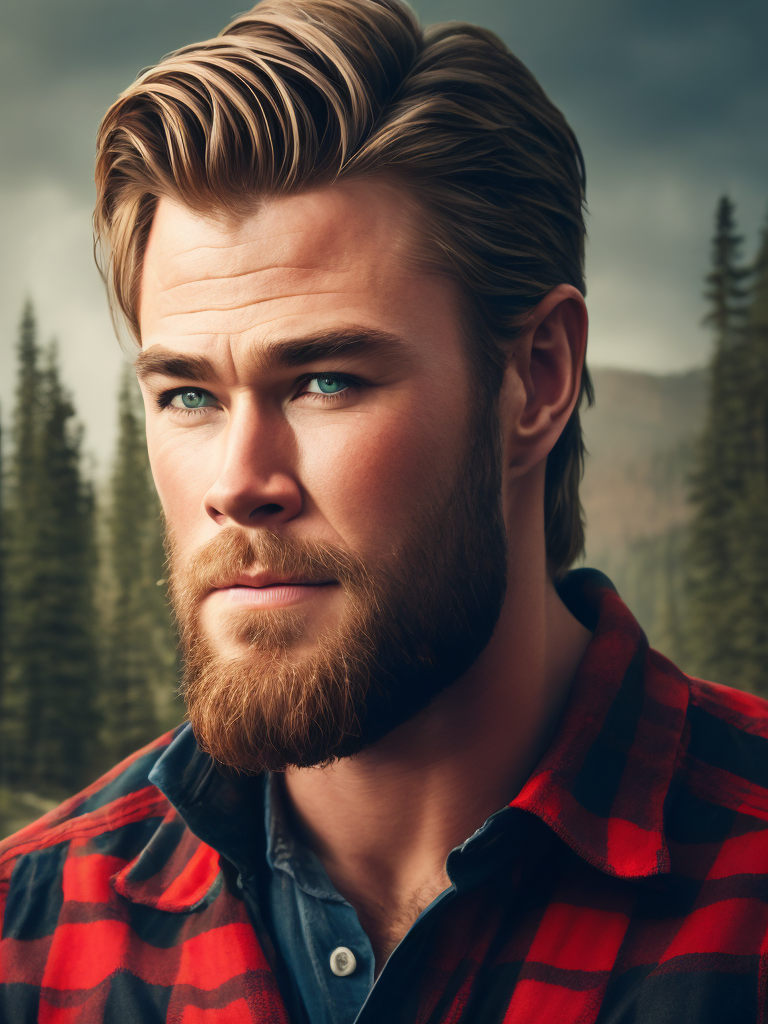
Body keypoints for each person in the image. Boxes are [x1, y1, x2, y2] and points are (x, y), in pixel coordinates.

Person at [2, 0, 768, 1021]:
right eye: (188, 395)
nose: (238, 480)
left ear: (537, 379)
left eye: (325, 380)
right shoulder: (30, 937)